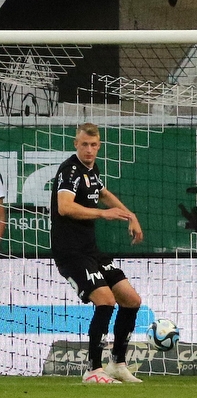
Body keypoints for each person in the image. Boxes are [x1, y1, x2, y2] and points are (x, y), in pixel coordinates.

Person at [50, 124, 144, 384]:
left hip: (91, 250)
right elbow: (65, 207)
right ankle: (93, 368)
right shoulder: (69, 171)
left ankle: (117, 364)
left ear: (99, 146)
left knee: (131, 300)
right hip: (70, 252)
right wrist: (104, 214)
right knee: (105, 300)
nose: (89, 150)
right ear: (75, 144)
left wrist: (129, 215)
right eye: (84, 145)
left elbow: (102, 192)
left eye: (93, 145)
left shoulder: (92, 170)